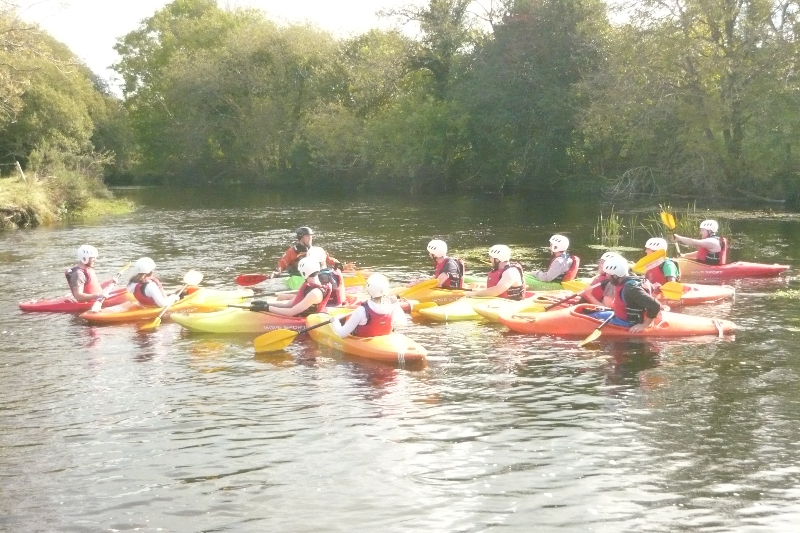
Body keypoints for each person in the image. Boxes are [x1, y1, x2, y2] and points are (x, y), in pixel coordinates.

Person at [590, 255, 663, 333]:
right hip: (618, 316)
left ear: (615, 275)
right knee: (586, 313)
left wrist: (645, 325)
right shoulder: (627, 281)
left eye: (608, 274)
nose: (606, 276)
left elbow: (655, 305)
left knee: (588, 319)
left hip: (627, 323)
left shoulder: (630, 289)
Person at [331, 274, 407, 338]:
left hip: (364, 343)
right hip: (383, 341)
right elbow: (403, 323)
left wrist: (334, 321)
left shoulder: (361, 310)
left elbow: (341, 334)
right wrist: (396, 304)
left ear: (369, 290)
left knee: (343, 323)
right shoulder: (392, 307)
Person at [257, 257, 332, 317]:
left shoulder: (315, 293)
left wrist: (266, 308)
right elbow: (288, 305)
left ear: (303, 272)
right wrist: (266, 303)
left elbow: (291, 312)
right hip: (299, 315)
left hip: (303, 320)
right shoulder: (309, 286)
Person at [275, 226, 348, 276]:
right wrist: (277, 271)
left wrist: (341, 266)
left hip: (316, 277)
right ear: (300, 237)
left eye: (311, 236)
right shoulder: (292, 251)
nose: (310, 238)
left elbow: (329, 260)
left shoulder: (316, 250)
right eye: (307, 236)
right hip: (298, 277)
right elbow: (281, 263)